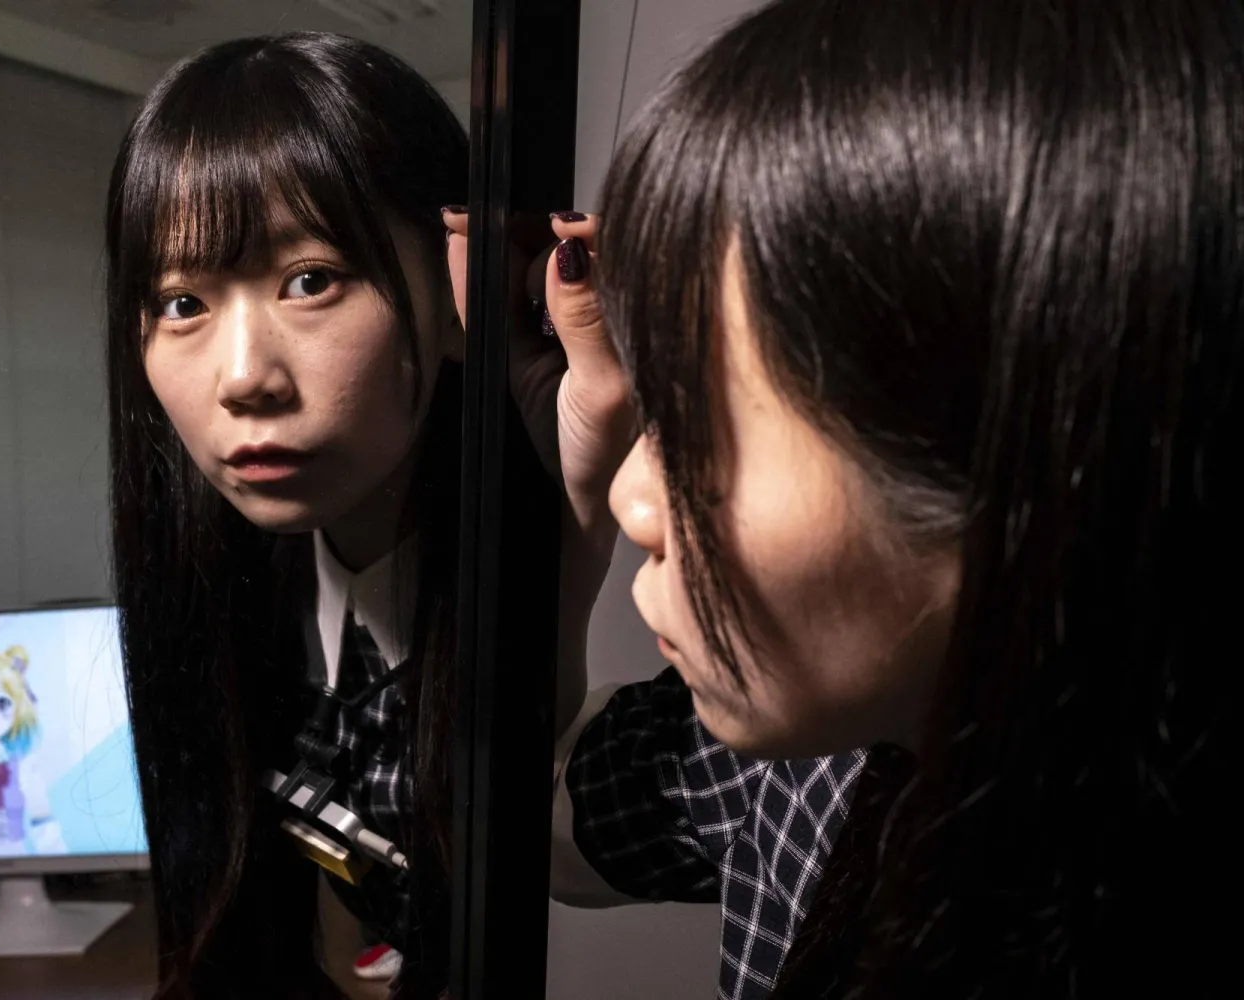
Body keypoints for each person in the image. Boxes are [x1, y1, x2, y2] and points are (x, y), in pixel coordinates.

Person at [462, 0, 1239, 995]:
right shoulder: (811, 763)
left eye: (711, 418)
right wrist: (565, 500)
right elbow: (525, 819)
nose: (635, 500)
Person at [103, 33, 471, 1000]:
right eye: (182, 302)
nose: (240, 378)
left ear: (453, 286)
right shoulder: (238, 596)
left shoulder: (613, 607)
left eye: (309, 279)